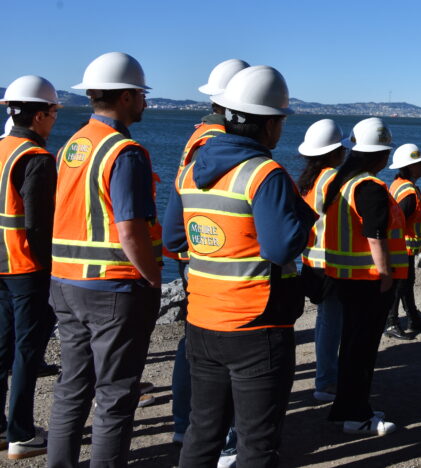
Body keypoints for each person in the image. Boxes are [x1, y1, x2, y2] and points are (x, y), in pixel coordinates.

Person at [164, 65, 316, 467]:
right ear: (270, 125)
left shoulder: (191, 170)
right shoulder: (264, 173)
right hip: (256, 324)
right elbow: (282, 247)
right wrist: (299, 222)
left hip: (202, 320)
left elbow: (174, 240)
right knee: (257, 442)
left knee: (203, 431)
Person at [48, 52, 163, 468]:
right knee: (115, 394)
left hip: (64, 282)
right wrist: (153, 278)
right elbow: (130, 231)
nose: (146, 104)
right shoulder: (125, 152)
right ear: (129, 96)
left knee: (72, 386)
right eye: (142, 96)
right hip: (111, 287)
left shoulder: (72, 145)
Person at [164, 58, 248, 463]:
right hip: (212, 254)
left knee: (196, 342)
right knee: (211, 346)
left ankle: (190, 424)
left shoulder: (199, 133)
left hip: (196, 249)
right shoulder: (215, 138)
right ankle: (209, 431)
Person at [323, 117, 406, 436]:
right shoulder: (368, 186)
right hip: (368, 281)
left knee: (353, 347)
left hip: (346, 278)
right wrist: (385, 274)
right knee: (362, 350)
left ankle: (349, 408)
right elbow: (375, 235)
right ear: (381, 155)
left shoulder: (343, 182)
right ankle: (356, 415)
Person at [0, 76, 60, 459]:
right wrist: (53, 267)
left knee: (2, 345)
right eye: (53, 112)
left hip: (0, 262)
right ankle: (20, 432)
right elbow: (39, 226)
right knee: (27, 350)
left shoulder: (3, 148)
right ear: (39, 115)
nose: (54, 119)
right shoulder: (35, 159)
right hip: (25, 266)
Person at [295, 118, 347, 402]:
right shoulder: (335, 181)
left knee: (326, 321)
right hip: (333, 263)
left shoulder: (307, 181)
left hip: (311, 262)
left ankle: (326, 376)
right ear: (334, 151)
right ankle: (326, 380)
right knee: (332, 323)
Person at [385, 143, 421, 340]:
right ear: (411, 167)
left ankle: (413, 317)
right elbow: (397, 222)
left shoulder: (401, 185)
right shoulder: (409, 193)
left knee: (406, 283)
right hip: (401, 248)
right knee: (399, 286)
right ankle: (391, 323)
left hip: (403, 247)